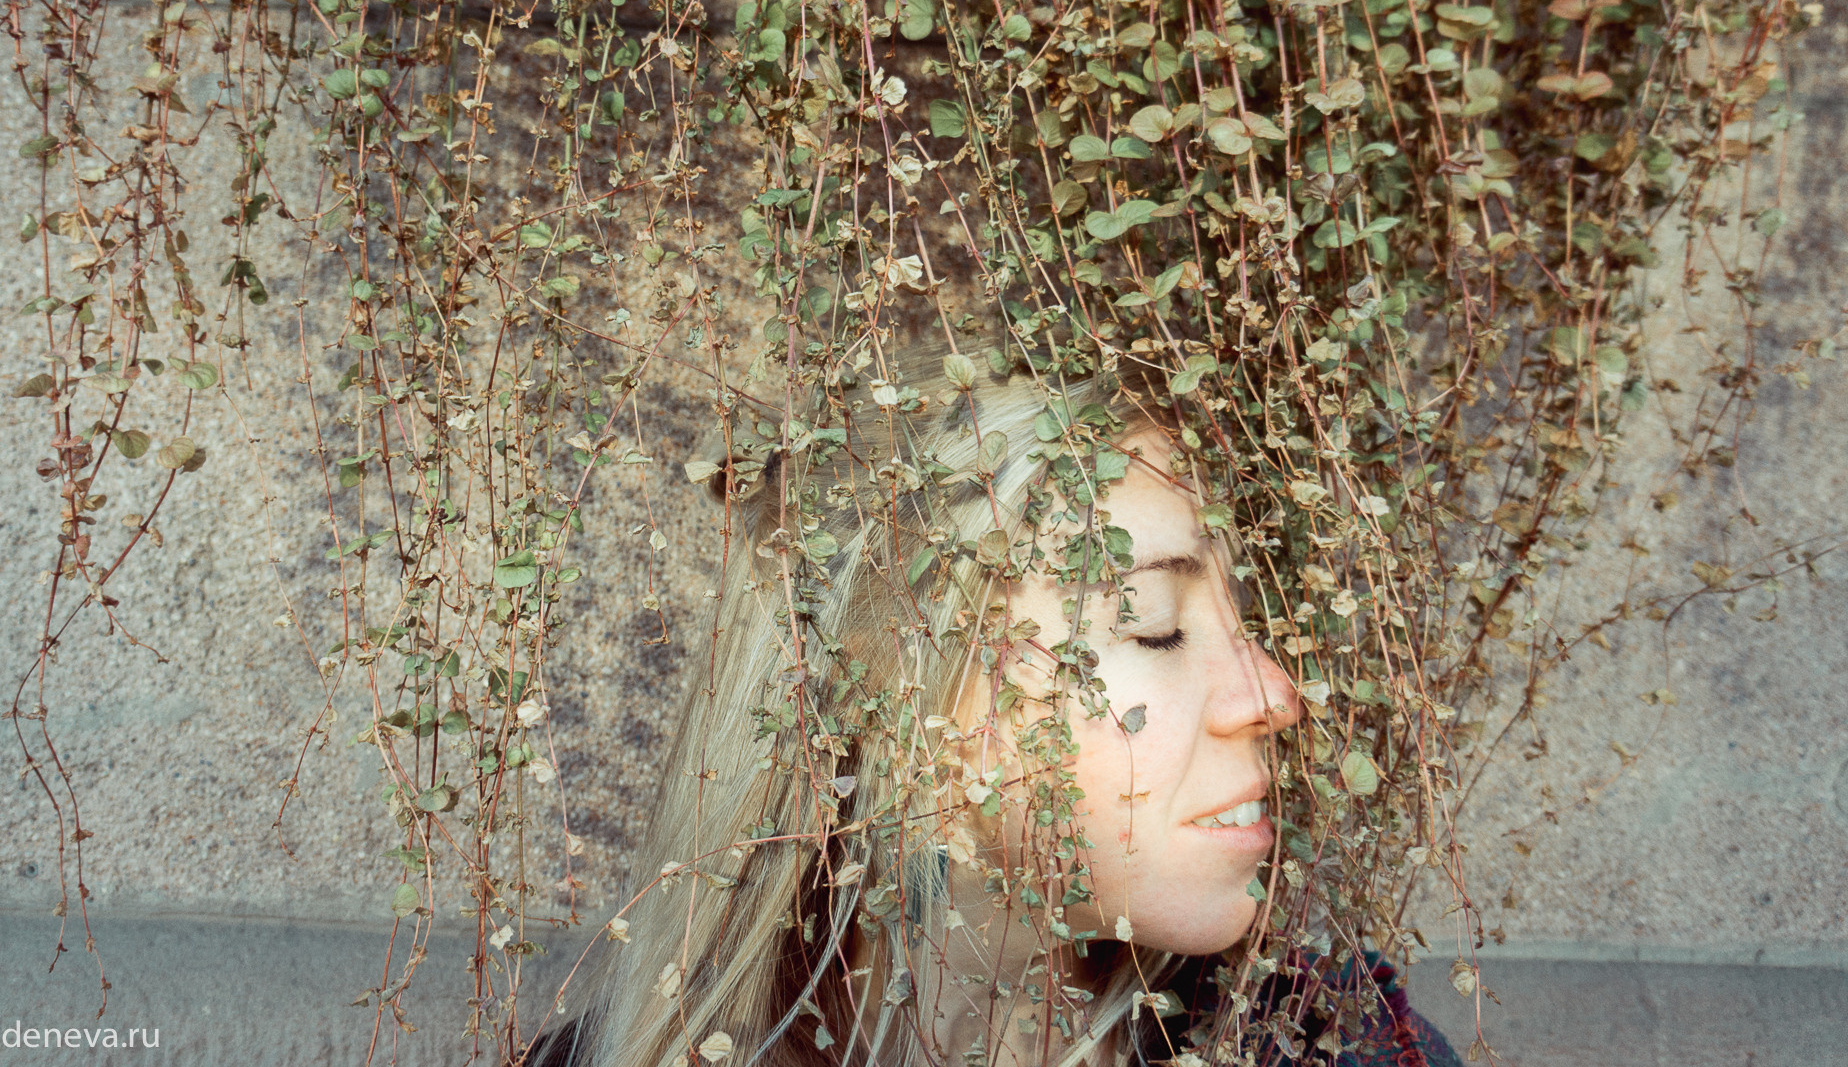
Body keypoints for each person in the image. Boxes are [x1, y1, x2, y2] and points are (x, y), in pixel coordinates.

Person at [527, 345, 1457, 1067]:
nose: (1276, 694)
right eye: (1156, 623)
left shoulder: (1341, 1041)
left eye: (1247, 614)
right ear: (893, 696)